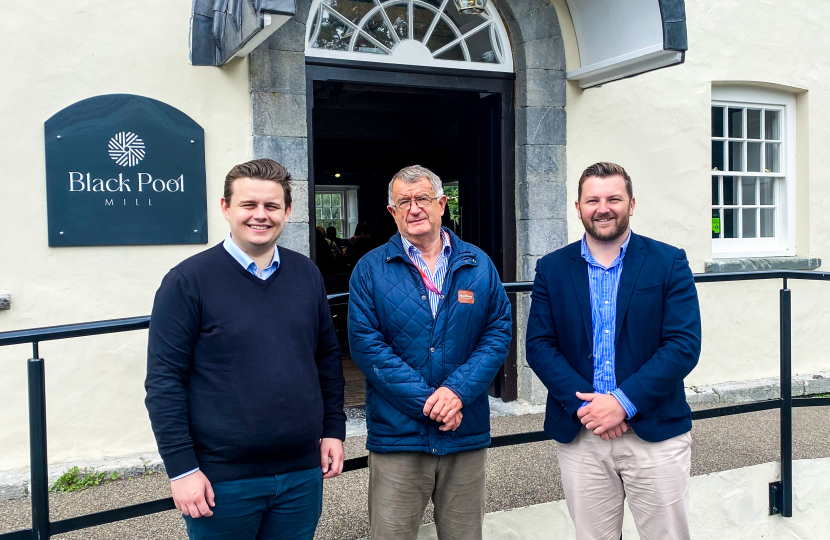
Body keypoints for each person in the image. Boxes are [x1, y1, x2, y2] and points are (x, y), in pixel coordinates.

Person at [145, 159, 346, 540]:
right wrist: (183, 470)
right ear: (226, 208)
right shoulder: (187, 281)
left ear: (287, 211)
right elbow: (163, 383)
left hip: (302, 472)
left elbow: (326, 358)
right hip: (223, 479)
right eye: (248, 205)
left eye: (271, 206)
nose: (260, 216)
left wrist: (333, 430)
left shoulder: (306, 273)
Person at [526, 162, 701, 540]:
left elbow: (683, 345)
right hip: (582, 434)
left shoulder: (668, 262)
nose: (602, 208)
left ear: (631, 204)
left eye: (613, 199)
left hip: (655, 434)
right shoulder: (552, 268)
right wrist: (590, 409)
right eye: (593, 200)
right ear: (578, 207)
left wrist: (622, 402)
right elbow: (539, 346)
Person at [348, 165, 512, 540]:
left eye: (422, 198)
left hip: (464, 433)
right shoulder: (370, 270)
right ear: (392, 212)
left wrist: (457, 394)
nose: (414, 208)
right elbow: (366, 345)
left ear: (441, 204)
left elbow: (498, 331)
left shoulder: (478, 264)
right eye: (403, 202)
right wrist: (432, 403)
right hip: (399, 437)